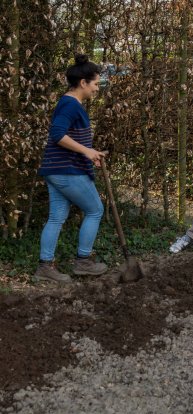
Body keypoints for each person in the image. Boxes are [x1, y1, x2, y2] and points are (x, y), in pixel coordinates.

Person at [34, 54, 108, 283]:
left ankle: (45, 267)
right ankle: (83, 261)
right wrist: (86, 152)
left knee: (56, 218)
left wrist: (90, 153)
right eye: (95, 83)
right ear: (83, 82)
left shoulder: (70, 103)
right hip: (66, 172)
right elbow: (57, 135)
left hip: (57, 170)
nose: (97, 88)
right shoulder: (70, 104)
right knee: (95, 210)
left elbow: (71, 139)